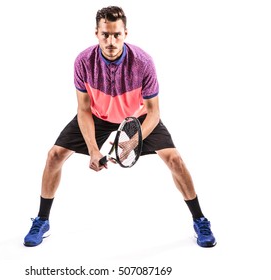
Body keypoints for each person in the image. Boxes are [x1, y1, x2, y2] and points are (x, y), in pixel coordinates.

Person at [24, 6, 216, 248]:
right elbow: (83, 109)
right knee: (54, 155)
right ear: (97, 33)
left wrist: (132, 142)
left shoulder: (144, 62)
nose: (111, 41)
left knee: (174, 159)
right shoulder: (83, 61)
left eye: (117, 34)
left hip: (138, 118)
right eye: (106, 34)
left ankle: (200, 219)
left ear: (126, 33)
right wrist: (94, 149)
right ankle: (42, 219)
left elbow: (154, 112)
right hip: (98, 116)